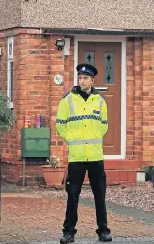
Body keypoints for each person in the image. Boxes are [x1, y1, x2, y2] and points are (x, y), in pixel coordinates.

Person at [56, 63, 112, 243]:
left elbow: (104, 126)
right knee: (72, 195)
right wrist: (72, 141)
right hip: (77, 156)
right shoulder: (67, 100)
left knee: (100, 195)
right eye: (80, 78)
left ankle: (103, 231)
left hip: (95, 156)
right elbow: (60, 125)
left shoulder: (100, 101)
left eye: (86, 78)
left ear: (92, 80)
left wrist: (93, 137)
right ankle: (69, 232)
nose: (82, 80)